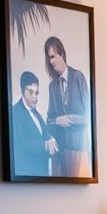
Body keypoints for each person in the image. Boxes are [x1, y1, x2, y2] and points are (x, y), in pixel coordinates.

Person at [44, 36, 91, 178]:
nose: (51, 61)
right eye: (49, 58)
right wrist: (57, 121)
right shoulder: (52, 87)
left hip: (78, 150)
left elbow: (88, 117)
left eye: (53, 56)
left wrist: (68, 119)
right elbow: (49, 120)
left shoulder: (78, 78)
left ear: (62, 54)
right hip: (59, 154)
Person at [9, 72, 57, 178]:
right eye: (31, 92)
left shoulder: (37, 114)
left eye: (36, 93)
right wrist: (45, 144)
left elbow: (45, 135)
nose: (34, 97)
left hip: (40, 177)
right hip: (26, 177)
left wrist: (51, 139)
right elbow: (24, 143)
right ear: (22, 91)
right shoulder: (15, 113)